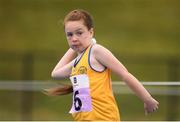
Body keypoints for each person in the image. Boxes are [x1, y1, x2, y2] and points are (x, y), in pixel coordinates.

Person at [46, 9, 159, 121]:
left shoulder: (96, 51)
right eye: (69, 35)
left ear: (91, 32)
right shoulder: (78, 61)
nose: (74, 38)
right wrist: (73, 47)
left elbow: (125, 75)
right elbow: (55, 74)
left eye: (79, 33)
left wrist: (147, 99)